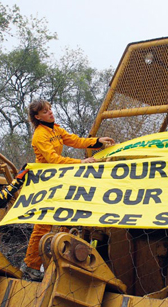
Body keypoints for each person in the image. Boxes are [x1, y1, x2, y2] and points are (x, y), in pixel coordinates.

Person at [23, 99, 115, 280]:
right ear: (37, 116)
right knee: (43, 225)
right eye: (45, 111)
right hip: (45, 183)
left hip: (60, 182)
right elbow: (54, 160)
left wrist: (97, 142)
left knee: (65, 219)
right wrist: (81, 162)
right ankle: (30, 266)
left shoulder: (55, 129)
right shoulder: (40, 135)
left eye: (50, 109)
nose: (50, 112)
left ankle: (63, 260)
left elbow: (74, 140)